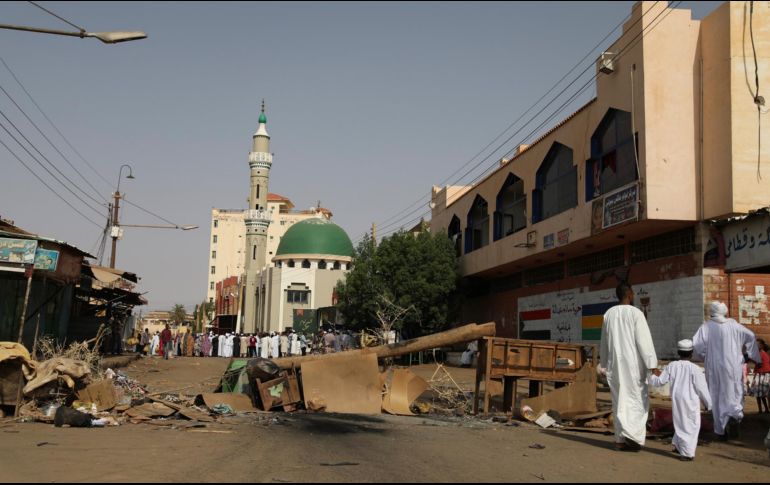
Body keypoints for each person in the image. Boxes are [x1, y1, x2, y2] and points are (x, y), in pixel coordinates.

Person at [599, 282, 658, 452]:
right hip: (633, 367)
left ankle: (620, 440)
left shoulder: (608, 314)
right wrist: (652, 364)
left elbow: (604, 342)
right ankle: (634, 438)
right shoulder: (636, 313)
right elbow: (644, 341)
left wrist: (604, 363)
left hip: (615, 366)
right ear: (630, 294)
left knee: (619, 402)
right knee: (637, 400)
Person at [693, 301, 761, 441]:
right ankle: (735, 416)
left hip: (714, 367)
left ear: (712, 312)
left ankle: (720, 430)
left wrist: (706, 356)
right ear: (725, 312)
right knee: (734, 392)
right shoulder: (735, 325)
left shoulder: (706, 327)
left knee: (716, 396)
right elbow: (751, 336)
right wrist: (748, 355)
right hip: (733, 366)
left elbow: (697, 346)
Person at [650, 339, 712, 461]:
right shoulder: (695, 369)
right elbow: (702, 388)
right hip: (690, 400)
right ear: (691, 353)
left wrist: (652, 375)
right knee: (691, 426)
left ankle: (678, 446)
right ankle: (687, 453)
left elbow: (660, 382)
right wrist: (708, 404)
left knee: (680, 423)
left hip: (677, 399)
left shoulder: (672, 366)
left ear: (678, 352)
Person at [751, 339, 770, 414]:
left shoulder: (761, 353)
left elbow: (760, 364)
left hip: (762, 375)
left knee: (762, 393)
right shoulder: (761, 353)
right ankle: (762, 409)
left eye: (758, 344)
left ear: (762, 346)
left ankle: (764, 409)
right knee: (759, 394)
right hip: (760, 374)